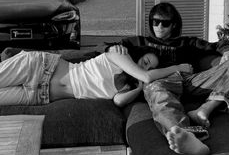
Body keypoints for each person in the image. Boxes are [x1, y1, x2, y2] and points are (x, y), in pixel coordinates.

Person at [107, 2, 229, 155]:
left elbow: (218, 44)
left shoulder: (187, 43)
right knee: (157, 92)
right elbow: (109, 47)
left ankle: (205, 109)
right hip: (159, 82)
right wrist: (113, 48)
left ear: (174, 25)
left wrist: (228, 51)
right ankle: (186, 136)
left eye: (165, 23)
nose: (159, 26)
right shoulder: (139, 42)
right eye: (156, 22)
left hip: (191, 81)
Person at [0, 46, 193, 108]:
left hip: (39, 96)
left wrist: (139, 87)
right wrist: (177, 67)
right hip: (38, 67)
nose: (147, 65)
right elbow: (147, 76)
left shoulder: (128, 85)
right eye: (146, 60)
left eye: (151, 66)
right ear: (139, 54)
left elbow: (118, 101)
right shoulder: (118, 56)